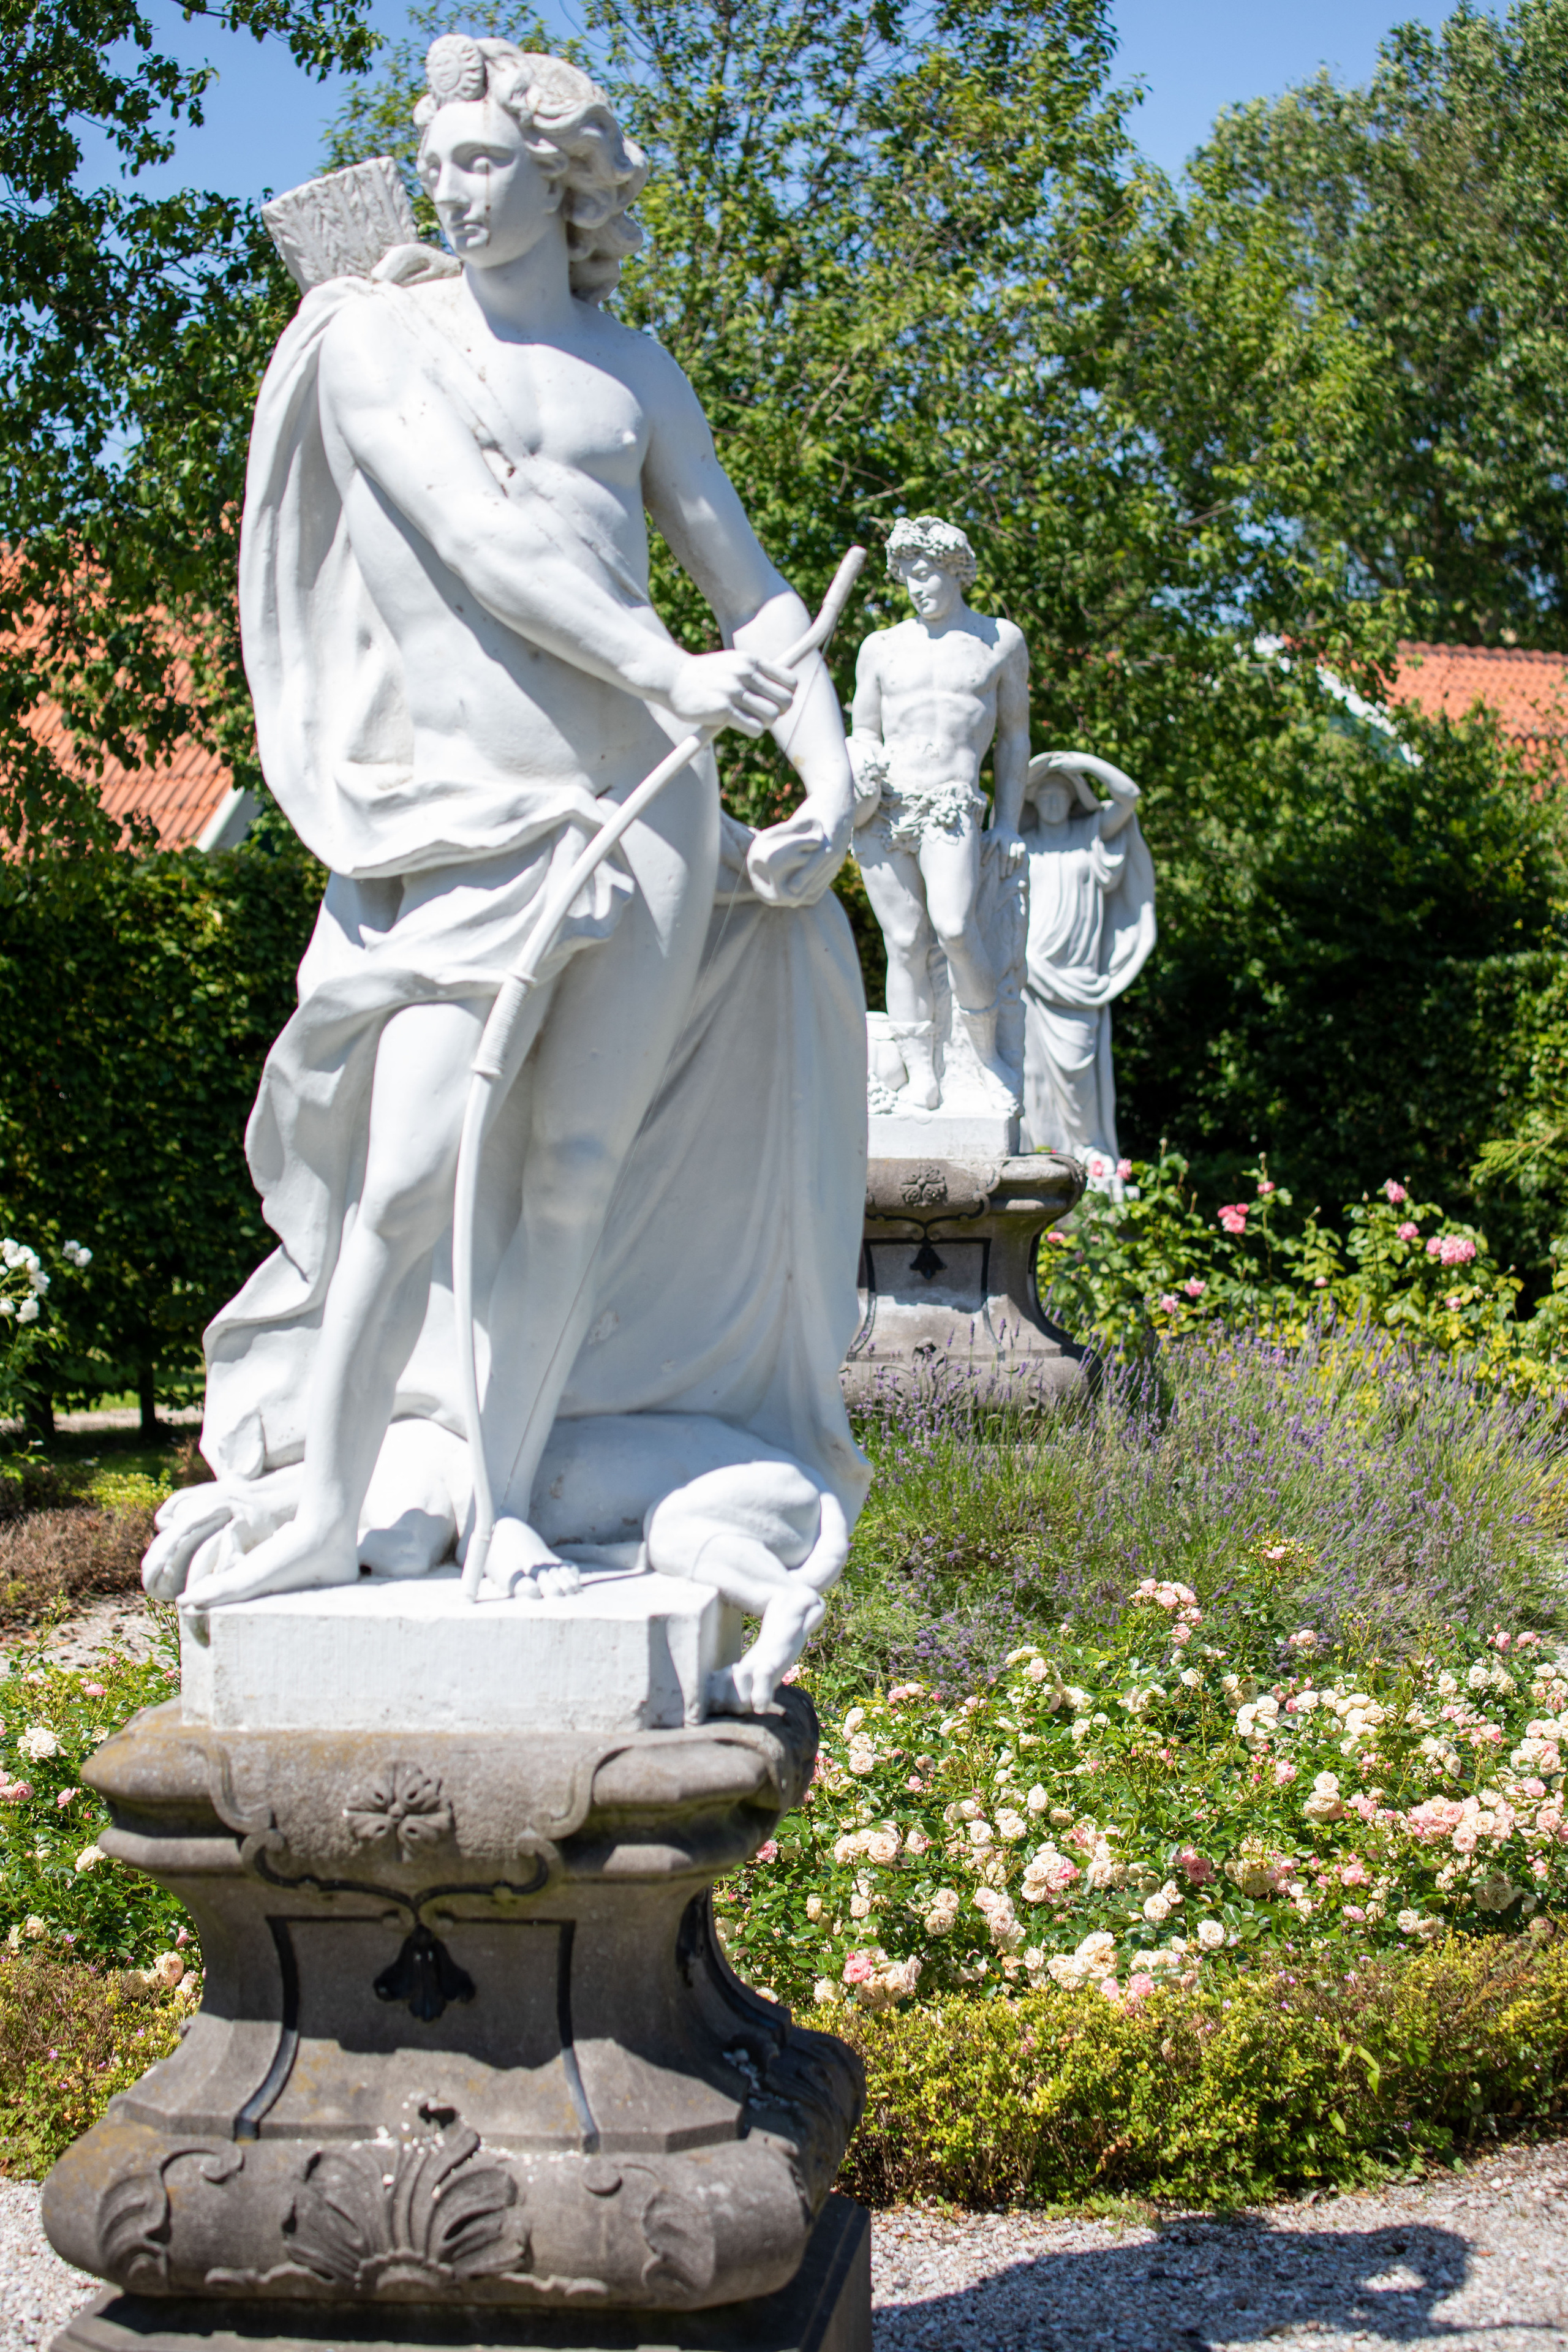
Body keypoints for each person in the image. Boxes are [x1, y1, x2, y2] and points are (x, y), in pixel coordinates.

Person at [142, 37, 867, 1646]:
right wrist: (674, 669)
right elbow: (480, 548)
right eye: (441, 168)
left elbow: (746, 581)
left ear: (561, 181)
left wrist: (827, 780)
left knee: (573, 1182)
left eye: (487, 168)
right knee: (407, 1181)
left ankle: (505, 1497)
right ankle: (325, 1507)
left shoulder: (633, 369)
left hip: (653, 818)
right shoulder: (372, 346)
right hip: (469, 825)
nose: (455, 194)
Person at [848, 517, 1028, 1108]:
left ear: (956, 572)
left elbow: (1013, 738)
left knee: (953, 926)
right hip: (884, 811)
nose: (916, 588)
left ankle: (984, 1056)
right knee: (902, 941)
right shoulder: (880, 647)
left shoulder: (998, 640)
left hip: (951, 803)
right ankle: (922, 1074)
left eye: (926, 575)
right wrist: (861, 767)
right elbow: (863, 731)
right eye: (907, 578)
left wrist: (1006, 821)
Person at [1019, 751, 1156, 1185]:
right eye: (1046, 795)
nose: (1055, 803)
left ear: (1075, 799)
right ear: (1035, 802)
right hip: (1030, 973)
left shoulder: (1090, 834)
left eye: (1063, 794)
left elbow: (1129, 795)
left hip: (1078, 981)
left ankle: (1090, 1159)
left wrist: (1080, 762)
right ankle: (1036, 1156)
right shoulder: (1021, 844)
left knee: (1079, 1076)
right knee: (1031, 1074)